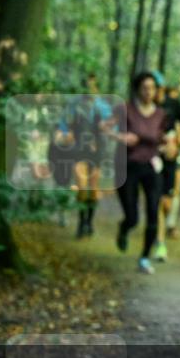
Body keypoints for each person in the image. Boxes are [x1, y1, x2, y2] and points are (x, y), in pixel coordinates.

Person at [111, 71, 166, 275]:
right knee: (132, 216)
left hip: (151, 167)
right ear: (137, 89)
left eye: (152, 88)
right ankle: (124, 228)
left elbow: (162, 137)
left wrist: (167, 145)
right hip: (127, 166)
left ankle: (144, 257)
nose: (148, 92)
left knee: (153, 211)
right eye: (145, 87)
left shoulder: (160, 114)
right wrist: (121, 137)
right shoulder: (125, 109)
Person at [61, 74, 115, 238]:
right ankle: (81, 222)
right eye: (86, 85)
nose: (89, 90)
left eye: (92, 85)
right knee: (82, 187)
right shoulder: (75, 104)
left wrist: (105, 129)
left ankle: (89, 222)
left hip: (97, 150)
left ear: (96, 87)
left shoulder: (103, 107)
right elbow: (64, 124)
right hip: (79, 149)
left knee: (93, 188)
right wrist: (66, 134)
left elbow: (113, 128)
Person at [151, 77, 180, 261]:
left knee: (167, 202)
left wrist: (178, 142)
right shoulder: (142, 107)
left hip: (170, 159)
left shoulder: (173, 104)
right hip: (150, 158)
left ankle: (165, 225)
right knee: (156, 200)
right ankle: (159, 243)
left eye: (157, 87)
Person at [162, 85, 180, 240]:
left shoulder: (179, 116)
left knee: (175, 189)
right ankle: (163, 222)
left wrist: (179, 142)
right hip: (165, 156)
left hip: (177, 156)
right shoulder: (165, 116)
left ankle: (170, 224)